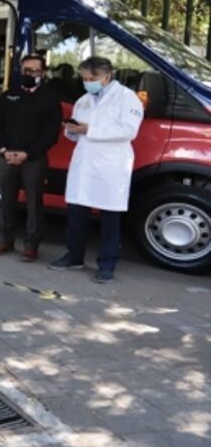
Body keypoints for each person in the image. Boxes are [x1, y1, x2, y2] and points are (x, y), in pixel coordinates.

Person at [48, 57, 144, 283]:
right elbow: (75, 132)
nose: (87, 82)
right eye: (84, 78)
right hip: (85, 161)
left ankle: (107, 264)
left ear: (107, 76)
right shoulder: (84, 99)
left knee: (110, 216)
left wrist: (89, 129)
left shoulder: (126, 98)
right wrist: (72, 130)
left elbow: (128, 130)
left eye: (92, 79)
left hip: (111, 164)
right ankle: (74, 256)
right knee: (76, 212)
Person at [0, 54, 63, 262]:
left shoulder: (50, 99)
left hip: (34, 159)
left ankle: (31, 246)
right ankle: (6, 240)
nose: (28, 74)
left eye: (33, 70)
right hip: (7, 156)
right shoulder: (8, 96)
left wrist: (27, 154)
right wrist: (4, 150)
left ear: (43, 73)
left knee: (34, 204)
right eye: (25, 70)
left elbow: (51, 134)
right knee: (6, 200)